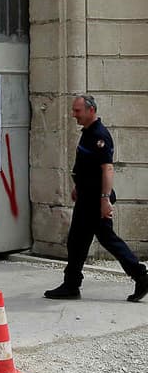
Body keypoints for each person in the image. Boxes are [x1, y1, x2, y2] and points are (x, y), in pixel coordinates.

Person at [44, 95, 148, 301]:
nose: (74, 115)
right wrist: (78, 187)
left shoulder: (100, 136)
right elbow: (86, 167)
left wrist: (104, 199)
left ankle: (140, 276)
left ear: (91, 110)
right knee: (78, 241)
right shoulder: (89, 133)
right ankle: (72, 284)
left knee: (104, 239)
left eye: (77, 111)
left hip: (94, 200)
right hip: (86, 196)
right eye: (74, 110)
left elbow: (107, 169)